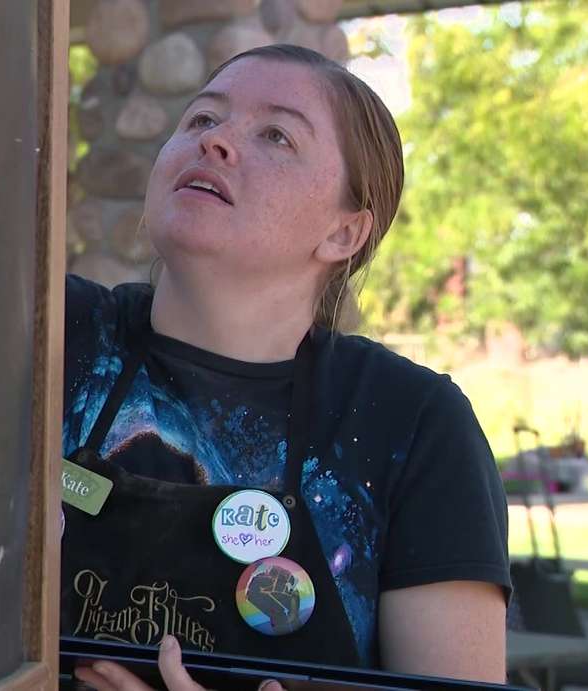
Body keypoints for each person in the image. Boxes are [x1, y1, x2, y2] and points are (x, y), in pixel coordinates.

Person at [61, 45, 510, 691]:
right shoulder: (53, 331)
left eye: (275, 134)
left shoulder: (411, 421)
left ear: (343, 235)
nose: (215, 143)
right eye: (201, 119)